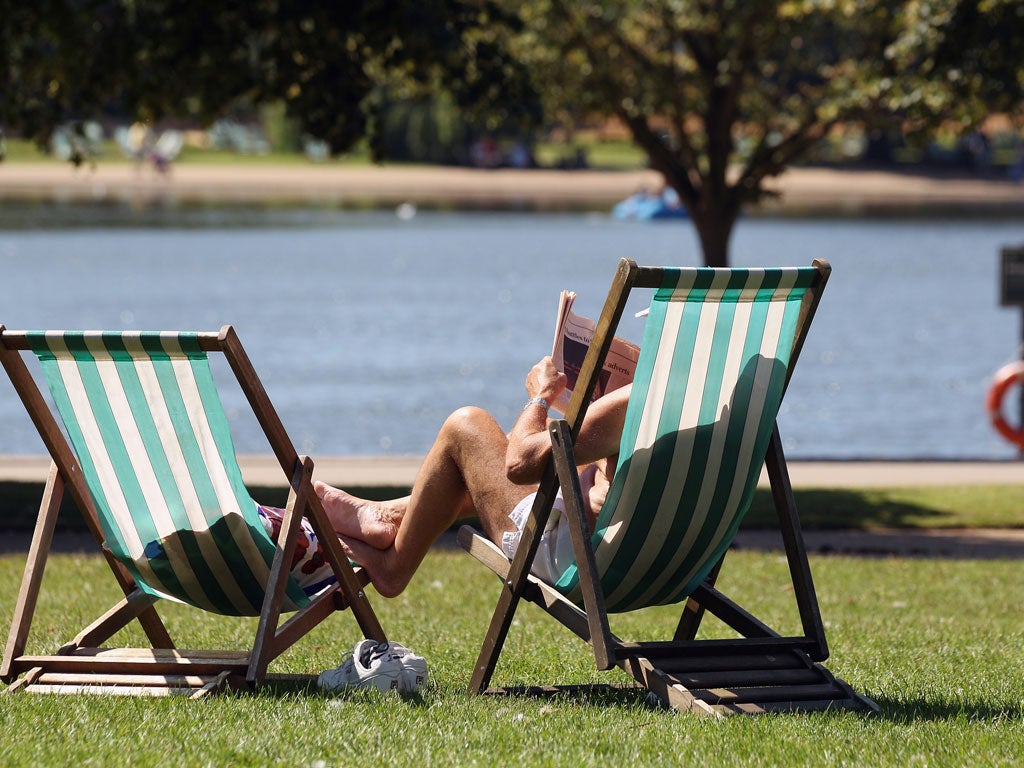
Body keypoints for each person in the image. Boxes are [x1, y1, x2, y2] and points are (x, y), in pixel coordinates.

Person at [313, 356, 631, 598]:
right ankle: (389, 515)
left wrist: (541, 397)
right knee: (543, 453)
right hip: (650, 566)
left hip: (574, 558)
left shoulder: (640, 399)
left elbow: (520, 464)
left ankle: (392, 566)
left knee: (466, 426)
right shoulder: (677, 408)